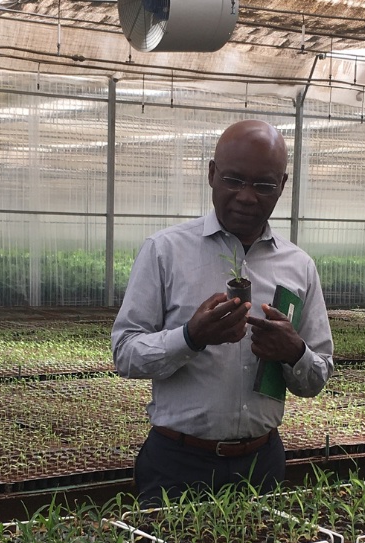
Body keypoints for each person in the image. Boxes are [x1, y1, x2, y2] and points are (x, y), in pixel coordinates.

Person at [112, 119, 334, 504]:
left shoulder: (299, 267)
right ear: (212, 174)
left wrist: (294, 352)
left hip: (262, 463)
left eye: (264, 184)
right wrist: (190, 338)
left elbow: (316, 377)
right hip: (177, 464)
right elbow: (125, 353)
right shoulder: (165, 252)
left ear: (282, 185)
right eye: (234, 179)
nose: (247, 196)